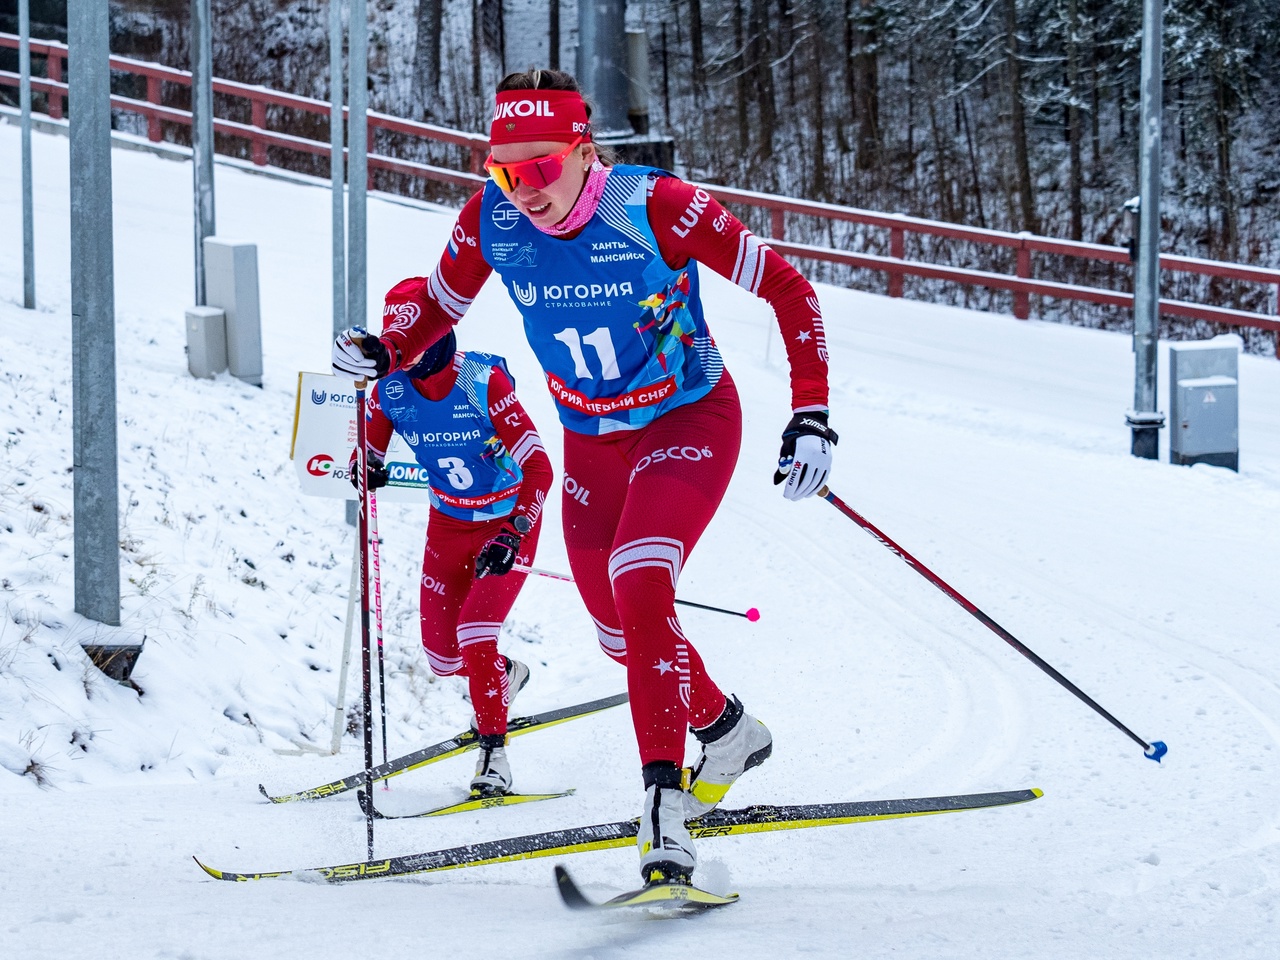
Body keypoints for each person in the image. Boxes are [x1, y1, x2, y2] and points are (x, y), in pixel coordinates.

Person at [333, 69, 836, 887]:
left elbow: (788, 288)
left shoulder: (654, 206)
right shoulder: (492, 217)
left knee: (642, 587)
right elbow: (434, 309)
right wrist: (383, 352)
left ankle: (665, 813)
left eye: (538, 169)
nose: (521, 190)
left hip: (686, 421)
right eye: (503, 170)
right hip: (591, 442)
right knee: (618, 632)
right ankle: (726, 728)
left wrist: (810, 413)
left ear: (582, 149)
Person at [344, 328, 553, 796]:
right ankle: (504, 675)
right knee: (442, 657)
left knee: (475, 633)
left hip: (507, 521)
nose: (403, 354)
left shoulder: (481, 381)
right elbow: (368, 452)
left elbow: (540, 467)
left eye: (415, 341)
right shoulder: (389, 390)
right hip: (449, 521)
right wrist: (366, 466)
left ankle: (494, 754)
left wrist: (514, 532)